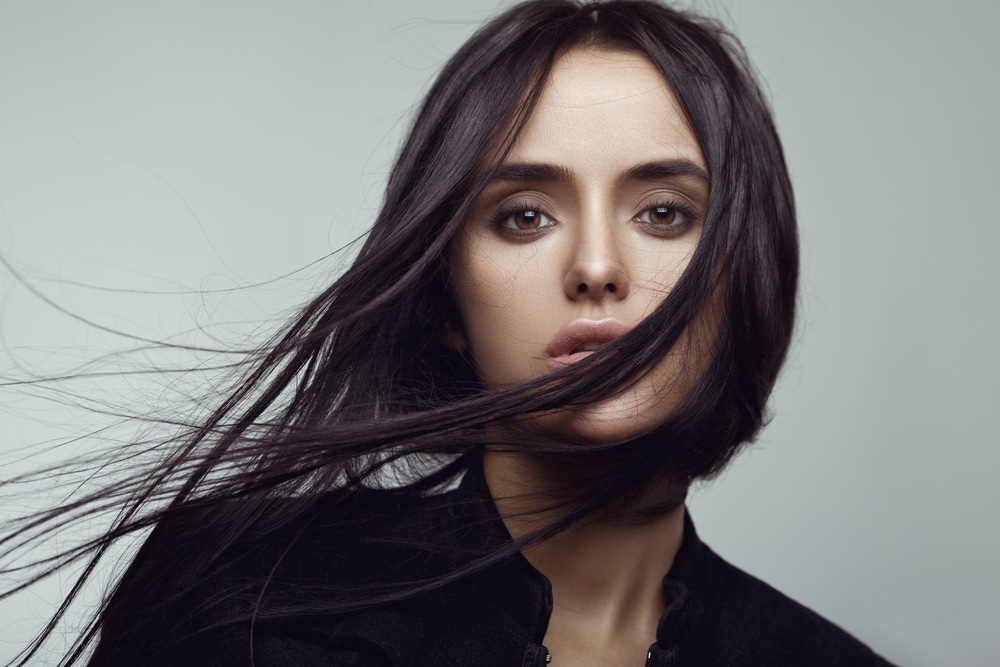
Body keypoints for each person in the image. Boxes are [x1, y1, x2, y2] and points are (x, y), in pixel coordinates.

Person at [9, 1, 896, 665]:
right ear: (444, 302)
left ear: (749, 275)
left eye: (664, 212)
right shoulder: (246, 601)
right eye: (523, 217)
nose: (596, 266)